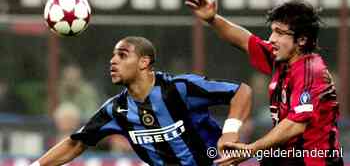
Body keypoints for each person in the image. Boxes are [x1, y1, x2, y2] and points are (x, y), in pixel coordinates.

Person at [30, 36, 252, 166]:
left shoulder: (179, 88)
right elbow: (76, 142)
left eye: (122, 55)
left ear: (144, 62)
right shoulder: (116, 109)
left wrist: (231, 131)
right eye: (113, 56)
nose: (113, 61)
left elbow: (241, 91)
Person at [186, 0, 343, 166]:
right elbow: (244, 40)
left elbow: (296, 124)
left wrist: (251, 149)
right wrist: (212, 19)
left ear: (302, 40)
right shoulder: (281, 59)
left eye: (280, 33)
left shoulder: (311, 71)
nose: (272, 39)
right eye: (273, 31)